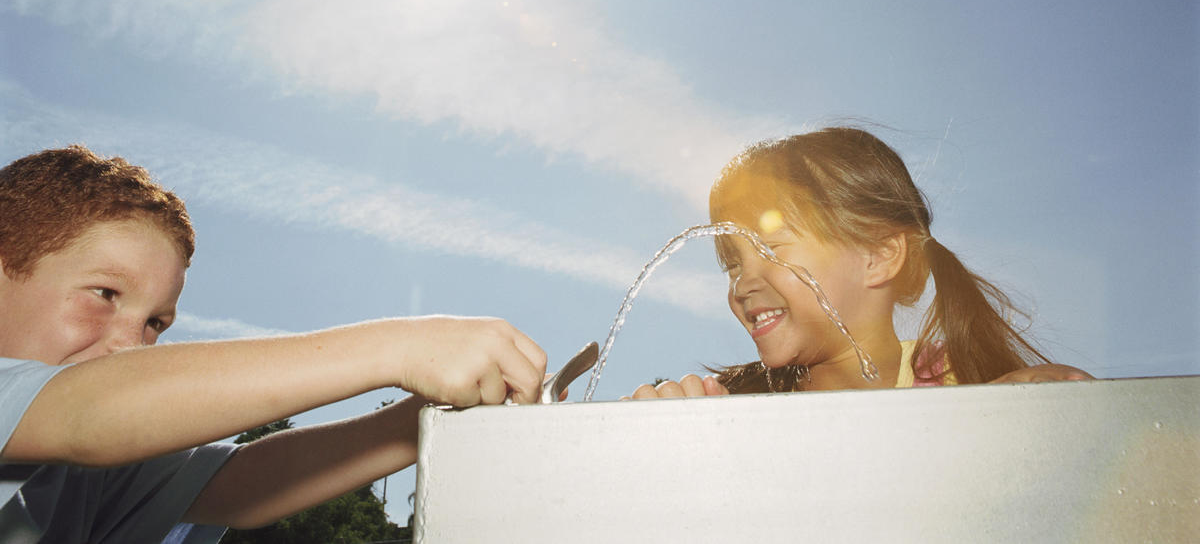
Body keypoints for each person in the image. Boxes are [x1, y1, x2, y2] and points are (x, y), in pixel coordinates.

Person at [0, 145, 547, 542]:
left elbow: (241, 487)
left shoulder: (78, 476)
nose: (131, 344)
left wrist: (426, 418)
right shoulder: (75, 416)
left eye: (156, 324)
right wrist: (399, 347)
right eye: (104, 293)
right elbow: (85, 410)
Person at [631, 127, 1092, 400]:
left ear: (879, 256)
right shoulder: (736, 404)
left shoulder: (967, 386)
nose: (743, 284)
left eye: (772, 249)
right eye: (733, 263)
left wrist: (1043, 412)